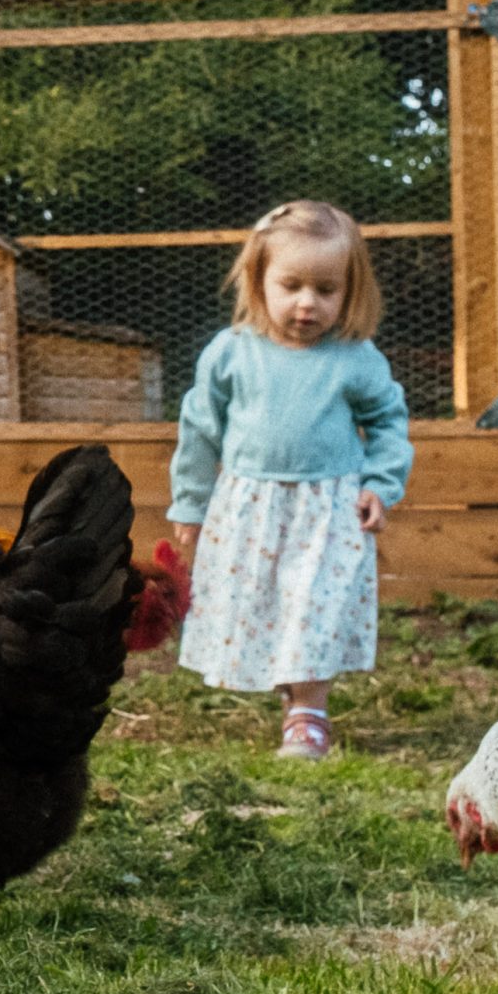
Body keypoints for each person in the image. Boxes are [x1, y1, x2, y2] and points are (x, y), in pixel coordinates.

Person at [168, 201, 412, 760]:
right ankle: (290, 691)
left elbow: (388, 423)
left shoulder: (355, 358)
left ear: (348, 291)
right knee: (263, 603)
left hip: (327, 508)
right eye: (292, 285)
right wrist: (190, 503)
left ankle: (308, 715)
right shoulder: (230, 352)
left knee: (314, 605)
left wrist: (381, 483)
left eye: (326, 289)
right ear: (259, 281)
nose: (308, 303)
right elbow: (200, 430)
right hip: (248, 504)